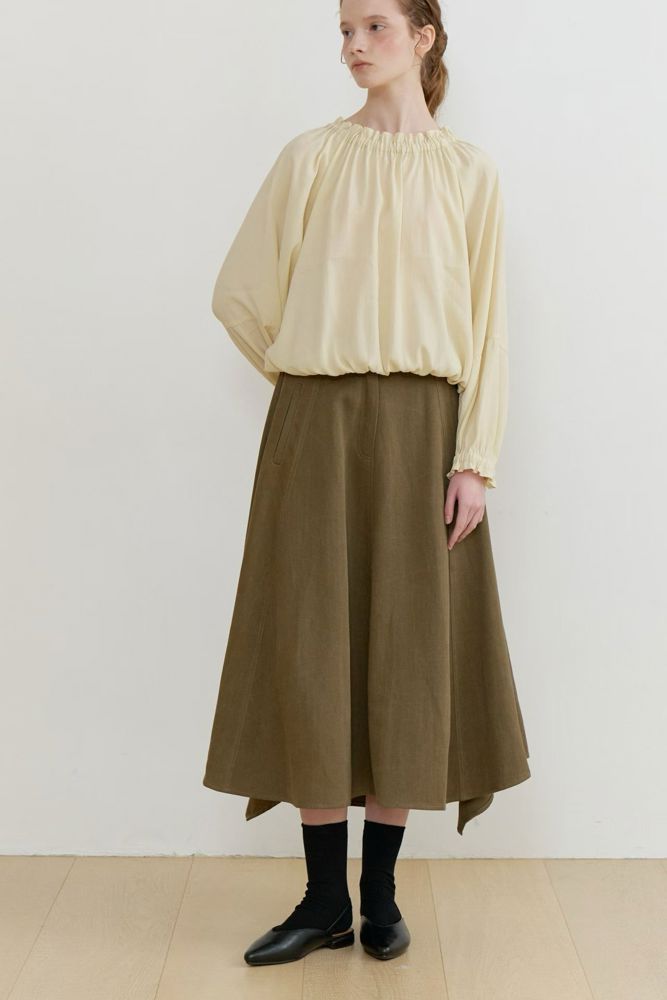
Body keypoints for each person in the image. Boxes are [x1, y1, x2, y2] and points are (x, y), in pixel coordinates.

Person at [202, 0, 531, 967]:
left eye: (374, 26)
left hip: (426, 433)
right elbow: (239, 293)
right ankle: (321, 901)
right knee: (313, 648)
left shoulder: (468, 172)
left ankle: (378, 897)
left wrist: (474, 459)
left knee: (405, 654)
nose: (353, 45)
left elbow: (488, 327)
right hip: (315, 426)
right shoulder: (310, 157)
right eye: (344, 30)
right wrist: (309, 373)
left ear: (423, 37)